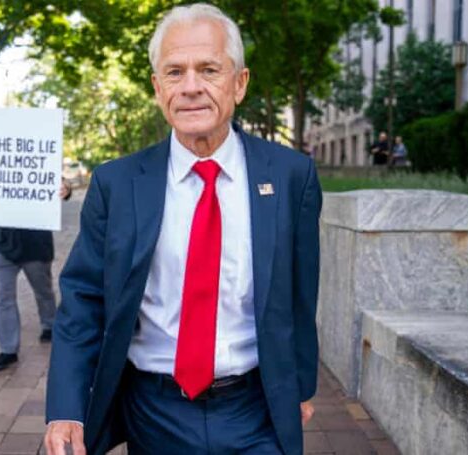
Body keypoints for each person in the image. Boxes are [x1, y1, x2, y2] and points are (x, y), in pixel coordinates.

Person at [45, 4, 322, 455]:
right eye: (175, 72)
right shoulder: (116, 183)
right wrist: (66, 408)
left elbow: (300, 291)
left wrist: (302, 384)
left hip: (255, 411)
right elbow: (83, 301)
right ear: (158, 88)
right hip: (152, 413)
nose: (191, 87)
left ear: (240, 83)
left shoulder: (292, 176)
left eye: (209, 69)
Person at [0, 171, 71, 371]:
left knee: (43, 291)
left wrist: (65, 188)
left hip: (36, 245)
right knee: (4, 299)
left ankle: (49, 325)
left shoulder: (38, 164)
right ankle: (8, 349)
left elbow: (64, 185)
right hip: (2, 245)